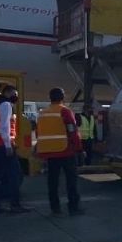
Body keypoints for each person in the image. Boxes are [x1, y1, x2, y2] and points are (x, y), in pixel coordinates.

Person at [0, 85, 30, 214]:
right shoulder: (5, 104)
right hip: (3, 144)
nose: (15, 96)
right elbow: (4, 126)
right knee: (14, 174)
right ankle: (15, 205)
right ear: (8, 92)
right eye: (14, 94)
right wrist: (8, 145)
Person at [37, 88, 83, 216]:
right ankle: (73, 207)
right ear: (63, 97)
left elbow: (38, 132)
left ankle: (55, 208)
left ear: (50, 98)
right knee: (71, 181)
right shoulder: (65, 111)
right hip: (66, 151)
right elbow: (72, 131)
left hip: (50, 152)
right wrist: (78, 148)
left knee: (52, 182)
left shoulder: (42, 113)